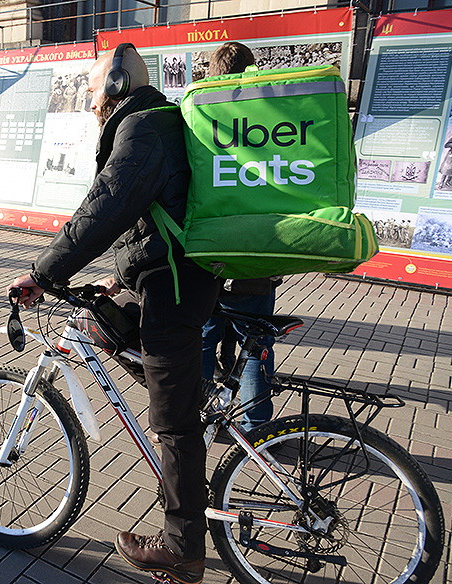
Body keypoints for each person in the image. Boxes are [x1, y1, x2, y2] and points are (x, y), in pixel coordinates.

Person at [8, 44, 219, 584]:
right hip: (167, 279)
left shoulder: (142, 128)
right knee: (102, 321)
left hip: (173, 290)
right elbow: (153, 221)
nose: (88, 98)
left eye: (93, 87)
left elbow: (106, 206)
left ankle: (182, 548)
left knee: (172, 425)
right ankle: (184, 408)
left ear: (119, 85)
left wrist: (44, 272)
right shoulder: (154, 121)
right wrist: (117, 277)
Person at [200, 42, 280, 432]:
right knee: (255, 348)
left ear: (214, 73)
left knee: (201, 342)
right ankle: (257, 432)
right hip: (256, 261)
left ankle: (195, 420)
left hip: (211, 260)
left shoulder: (202, 118)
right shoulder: (272, 120)